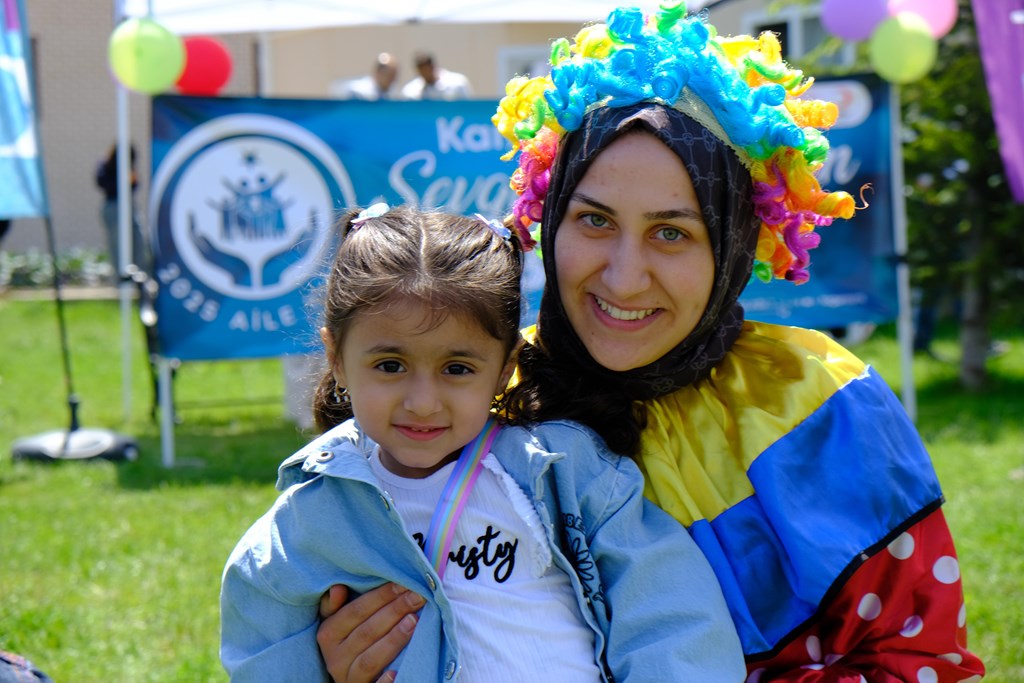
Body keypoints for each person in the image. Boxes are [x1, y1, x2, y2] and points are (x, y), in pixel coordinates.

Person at [314, 4, 986, 682]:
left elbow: (919, 660)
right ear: (550, 217)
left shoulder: (815, 401)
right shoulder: (471, 397)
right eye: (595, 220)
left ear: (732, 242)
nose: (624, 276)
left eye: (672, 232)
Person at [220, 204, 745, 682]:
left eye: (457, 368)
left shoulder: (565, 473)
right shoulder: (304, 527)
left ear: (504, 367)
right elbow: (265, 659)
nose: (422, 402)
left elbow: (671, 617)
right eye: (390, 365)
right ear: (336, 357)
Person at [94, 143, 147, 271]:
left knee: (138, 240)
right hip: (113, 205)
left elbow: (134, 186)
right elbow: (102, 183)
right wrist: (121, 179)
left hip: (129, 205)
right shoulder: (106, 164)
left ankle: (139, 273)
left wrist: (132, 179)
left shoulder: (130, 167)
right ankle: (120, 275)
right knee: (117, 243)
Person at [399, 52, 472, 101]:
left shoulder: (457, 83)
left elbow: (466, 108)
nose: (425, 73)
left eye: (427, 69)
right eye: (421, 70)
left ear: (433, 66)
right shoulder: (411, 90)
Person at [330, 53, 400, 101]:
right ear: (378, 72)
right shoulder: (358, 92)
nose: (393, 80)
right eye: (390, 76)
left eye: (394, 76)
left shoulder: (392, 92)